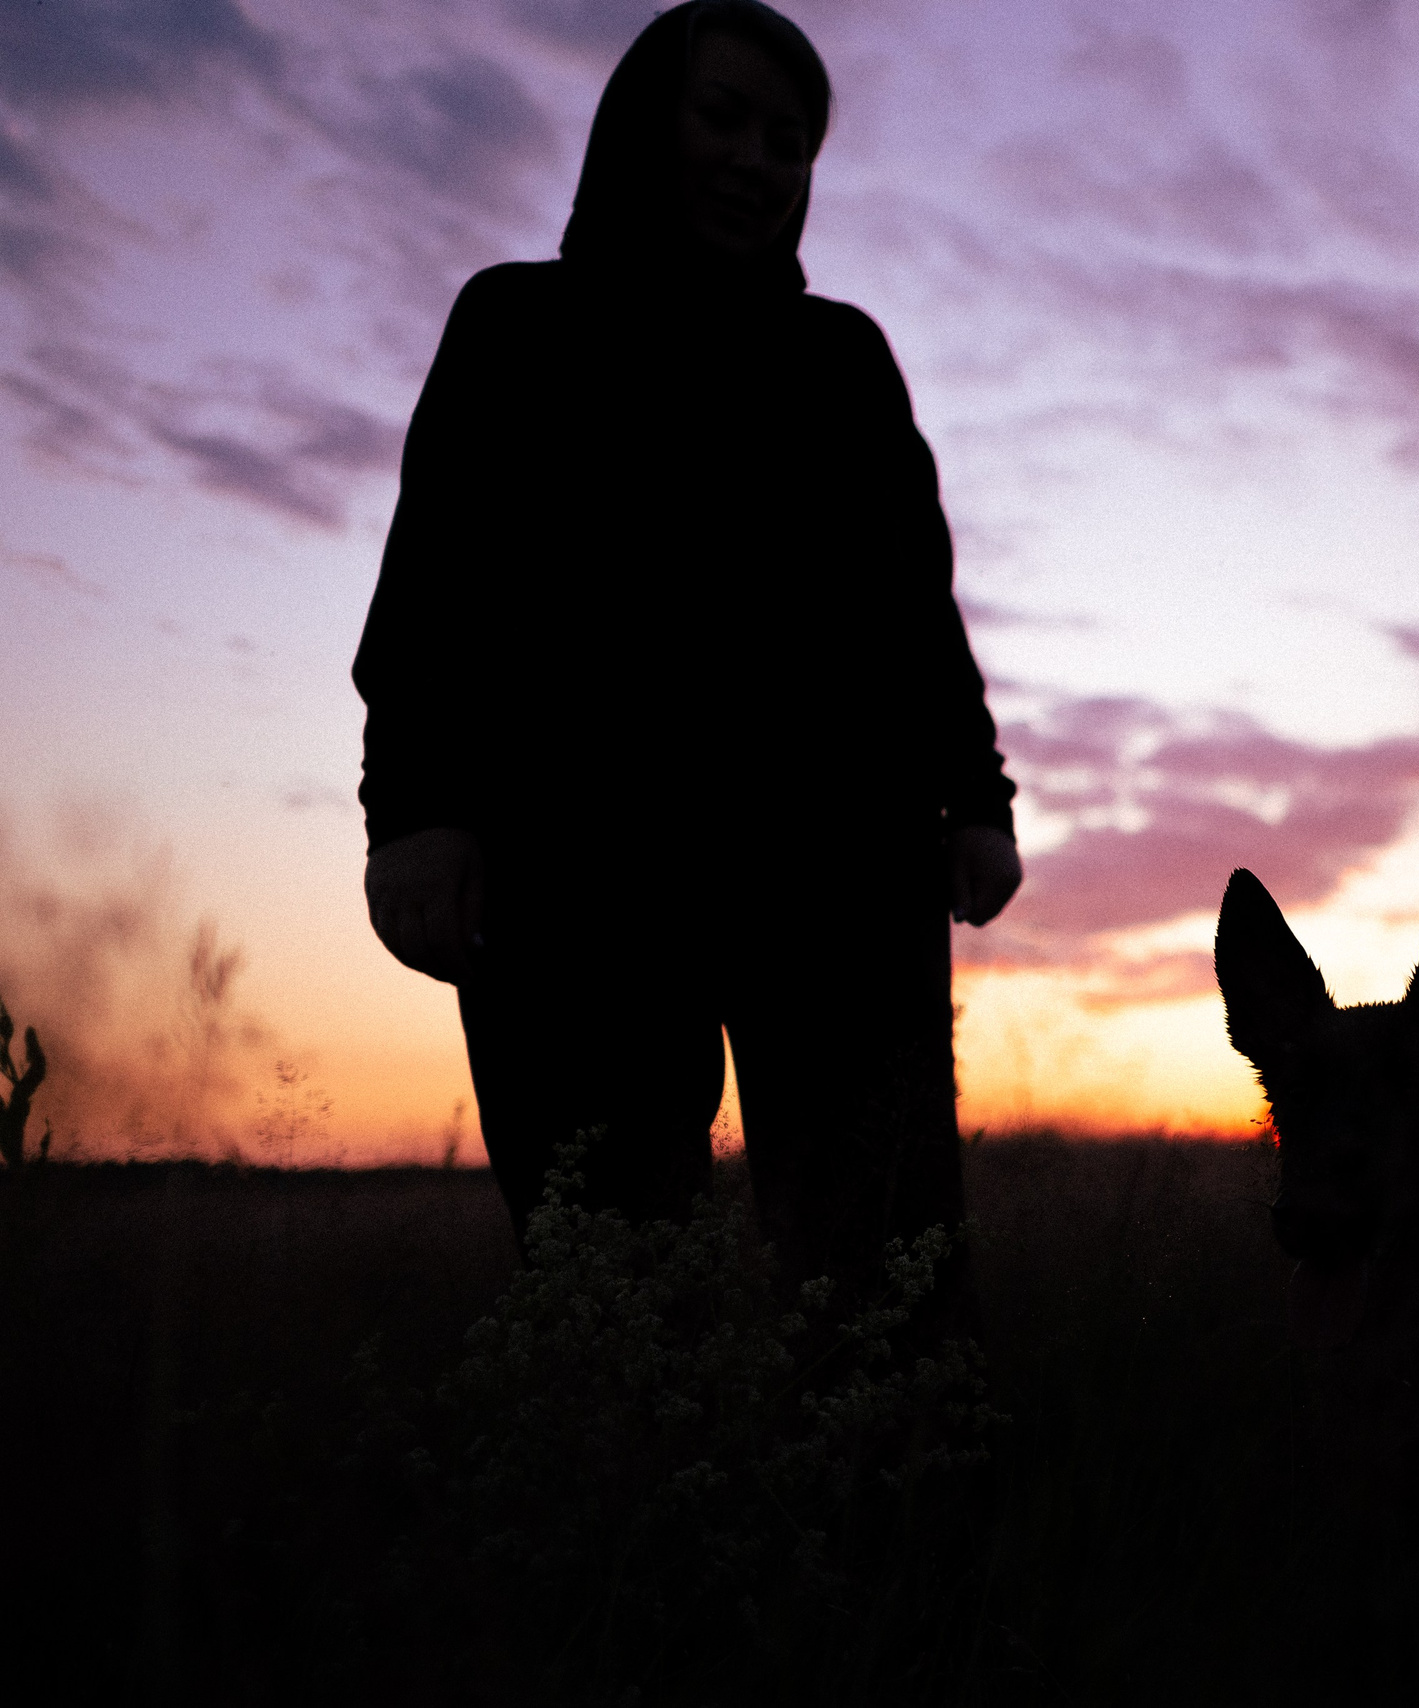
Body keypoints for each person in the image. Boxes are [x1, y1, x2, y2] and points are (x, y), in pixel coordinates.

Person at [353, 0, 1020, 1295]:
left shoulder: (843, 362)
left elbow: (915, 611)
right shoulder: (515, 327)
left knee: (884, 1284)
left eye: (789, 142)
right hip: (576, 874)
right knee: (611, 1276)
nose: (756, 161)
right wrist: (416, 815)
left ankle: (887, 1439)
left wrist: (976, 799)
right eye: (723, 117)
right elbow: (434, 590)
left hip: (841, 871)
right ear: (640, 126)